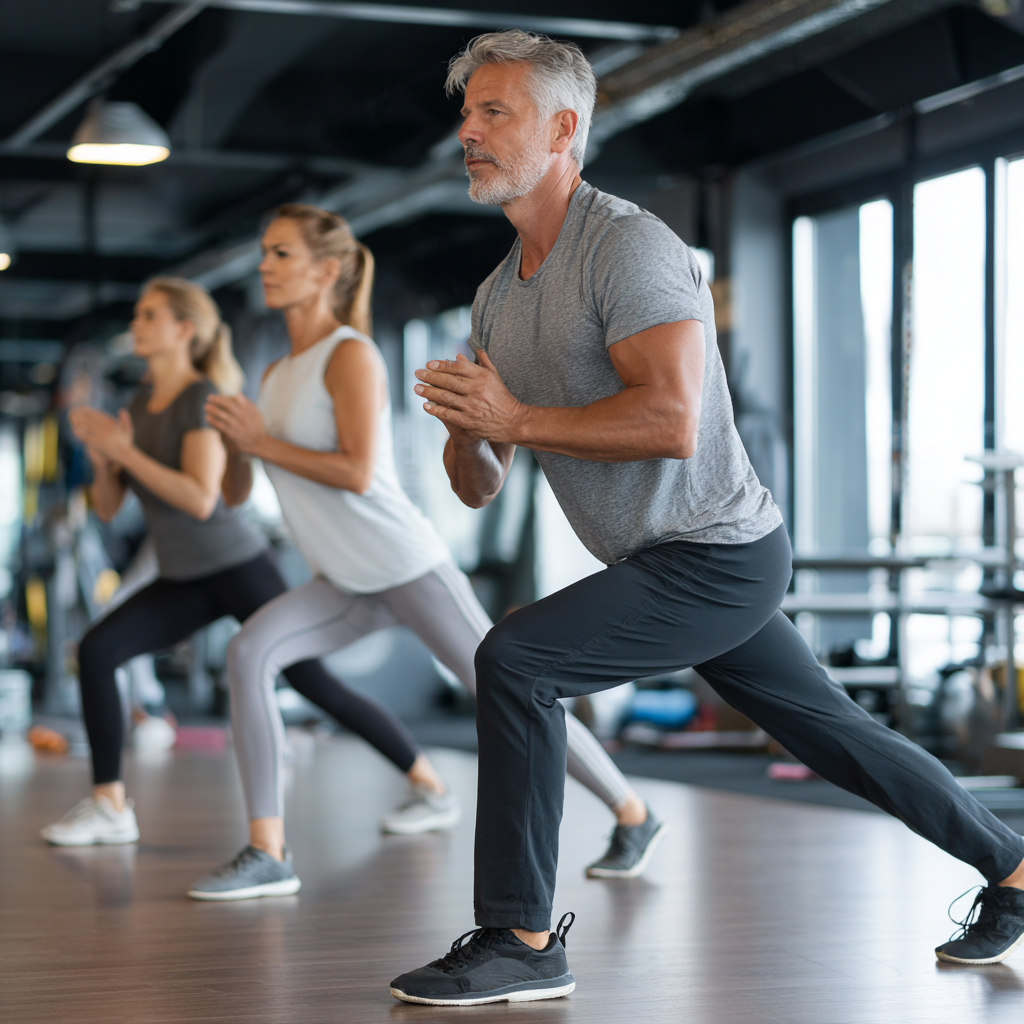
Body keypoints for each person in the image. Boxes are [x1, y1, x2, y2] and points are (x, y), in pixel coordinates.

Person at [388, 30, 1024, 1006]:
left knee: (518, 659)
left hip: (717, 555)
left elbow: (670, 420)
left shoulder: (627, 245)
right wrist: (473, 432)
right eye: (465, 112)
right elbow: (481, 484)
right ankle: (1013, 868)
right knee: (835, 735)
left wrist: (513, 414)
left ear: (562, 129)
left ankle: (520, 937)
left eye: (493, 112)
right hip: (665, 561)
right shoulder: (492, 300)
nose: (466, 131)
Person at [200, 203, 661, 898]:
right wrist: (240, 445)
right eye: (264, 252)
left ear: (327, 271)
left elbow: (356, 471)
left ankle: (634, 811)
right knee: (248, 653)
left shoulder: (349, 356)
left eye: (281, 254)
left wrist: (262, 442)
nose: (264, 265)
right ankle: (269, 850)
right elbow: (241, 488)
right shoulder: (273, 377)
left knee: (506, 689)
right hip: (342, 578)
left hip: (404, 562)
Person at [42, 278, 451, 901]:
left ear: (186, 329)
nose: (138, 323)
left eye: (150, 315)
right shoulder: (145, 399)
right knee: (99, 650)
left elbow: (201, 499)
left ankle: (428, 782)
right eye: (139, 314)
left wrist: (127, 450)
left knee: (312, 681)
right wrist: (106, 463)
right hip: (184, 577)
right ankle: (109, 805)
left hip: (235, 566)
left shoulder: (202, 397)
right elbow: (106, 510)